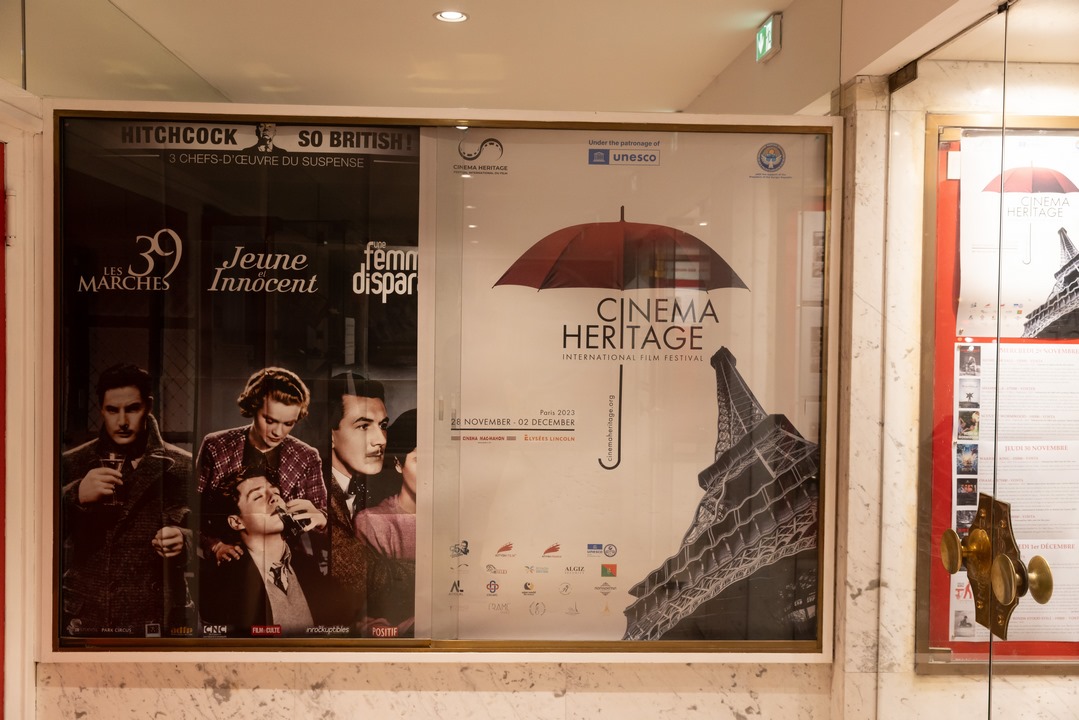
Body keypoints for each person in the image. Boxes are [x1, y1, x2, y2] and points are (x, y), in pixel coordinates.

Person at [60, 363, 192, 637]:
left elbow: (212, 536)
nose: (122, 421)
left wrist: (184, 540)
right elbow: (33, 536)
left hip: (158, 613)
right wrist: (76, 495)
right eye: (112, 410)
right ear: (101, 410)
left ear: (149, 406)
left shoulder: (182, 467)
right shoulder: (73, 463)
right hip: (88, 614)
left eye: (132, 408)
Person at [196, 367, 326, 565]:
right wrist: (214, 546)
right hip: (226, 562)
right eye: (270, 420)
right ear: (253, 407)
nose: (278, 432)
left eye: (288, 423)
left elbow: (330, 530)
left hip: (285, 562)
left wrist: (322, 520)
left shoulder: (306, 457)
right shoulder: (216, 446)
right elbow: (192, 511)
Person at [199, 469, 342, 636]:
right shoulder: (220, 582)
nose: (275, 498)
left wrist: (325, 526)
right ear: (236, 522)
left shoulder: (308, 566)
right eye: (258, 496)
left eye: (276, 492)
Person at [324, 370, 392, 630]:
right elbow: (357, 577)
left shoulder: (376, 489)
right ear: (329, 433)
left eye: (383, 425)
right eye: (364, 426)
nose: (381, 440)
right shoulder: (312, 490)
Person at [354, 408, 417, 636]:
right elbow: (365, 611)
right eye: (420, 460)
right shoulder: (373, 522)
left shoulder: (451, 518)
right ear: (399, 464)